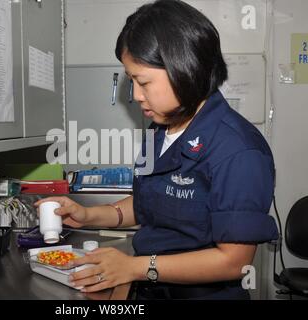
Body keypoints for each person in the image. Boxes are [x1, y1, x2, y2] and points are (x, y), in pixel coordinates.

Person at [34, 0, 279, 300]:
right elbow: (147, 205)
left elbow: (234, 262)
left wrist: (134, 268)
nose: (136, 95)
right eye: (132, 81)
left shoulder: (239, 151)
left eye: (143, 81)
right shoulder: (161, 130)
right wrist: (87, 215)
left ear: (184, 70)